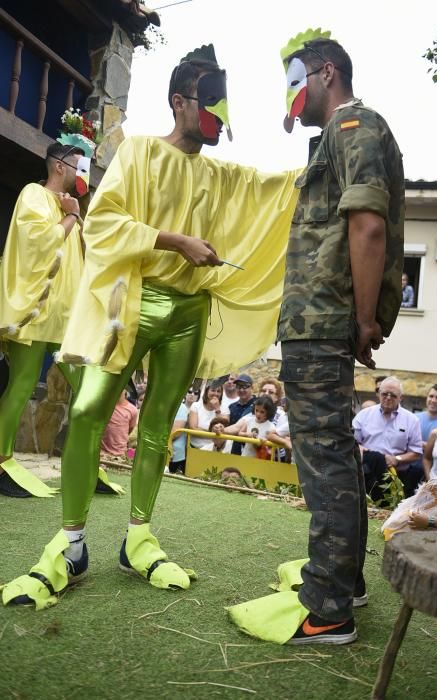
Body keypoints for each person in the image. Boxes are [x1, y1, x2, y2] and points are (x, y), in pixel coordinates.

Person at [2, 43, 299, 609]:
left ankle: (139, 536)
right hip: (129, 301)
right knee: (89, 410)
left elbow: (270, 190)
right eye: (210, 102)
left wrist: (321, 164)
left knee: (159, 425)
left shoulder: (219, 171)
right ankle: (70, 543)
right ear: (179, 103)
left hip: (189, 314)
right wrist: (174, 241)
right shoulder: (138, 152)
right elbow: (107, 222)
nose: (219, 117)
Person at [228, 30, 404, 646]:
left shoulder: (356, 126)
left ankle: (327, 606)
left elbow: (368, 227)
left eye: (298, 78)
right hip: (324, 321)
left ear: (326, 72)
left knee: (323, 462)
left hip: (323, 322)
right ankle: (344, 581)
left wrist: (361, 319)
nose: (292, 91)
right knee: (336, 456)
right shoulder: (336, 135)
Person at [0, 141, 89, 498]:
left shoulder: (71, 207)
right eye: (78, 166)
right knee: (21, 384)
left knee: (87, 387)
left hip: (65, 317)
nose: (82, 174)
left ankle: (85, 464)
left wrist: (75, 216)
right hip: (37, 311)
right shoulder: (34, 194)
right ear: (59, 166)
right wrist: (69, 216)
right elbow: (36, 241)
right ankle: (2, 460)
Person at [353, 377, 423, 501]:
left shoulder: (412, 420)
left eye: (393, 395)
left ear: (401, 397)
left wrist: (397, 459)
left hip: (396, 476)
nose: (388, 397)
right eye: (385, 394)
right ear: (379, 394)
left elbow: (416, 453)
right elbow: (353, 443)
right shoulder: (364, 415)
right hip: (366, 472)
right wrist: (366, 452)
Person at [188, 382, 226, 449]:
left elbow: (222, 430)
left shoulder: (225, 408)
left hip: (214, 449)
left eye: (218, 391)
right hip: (195, 448)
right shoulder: (196, 405)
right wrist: (213, 434)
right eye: (213, 390)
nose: (216, 393)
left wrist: (217, 410)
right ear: (207, 391)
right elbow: (193, 428)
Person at [101, 390, 138, 457]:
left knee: (133, 455)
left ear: (126, 391)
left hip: (121, 452)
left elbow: (130, 428)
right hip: (102, 452)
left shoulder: (133, 410)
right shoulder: (104, 406)